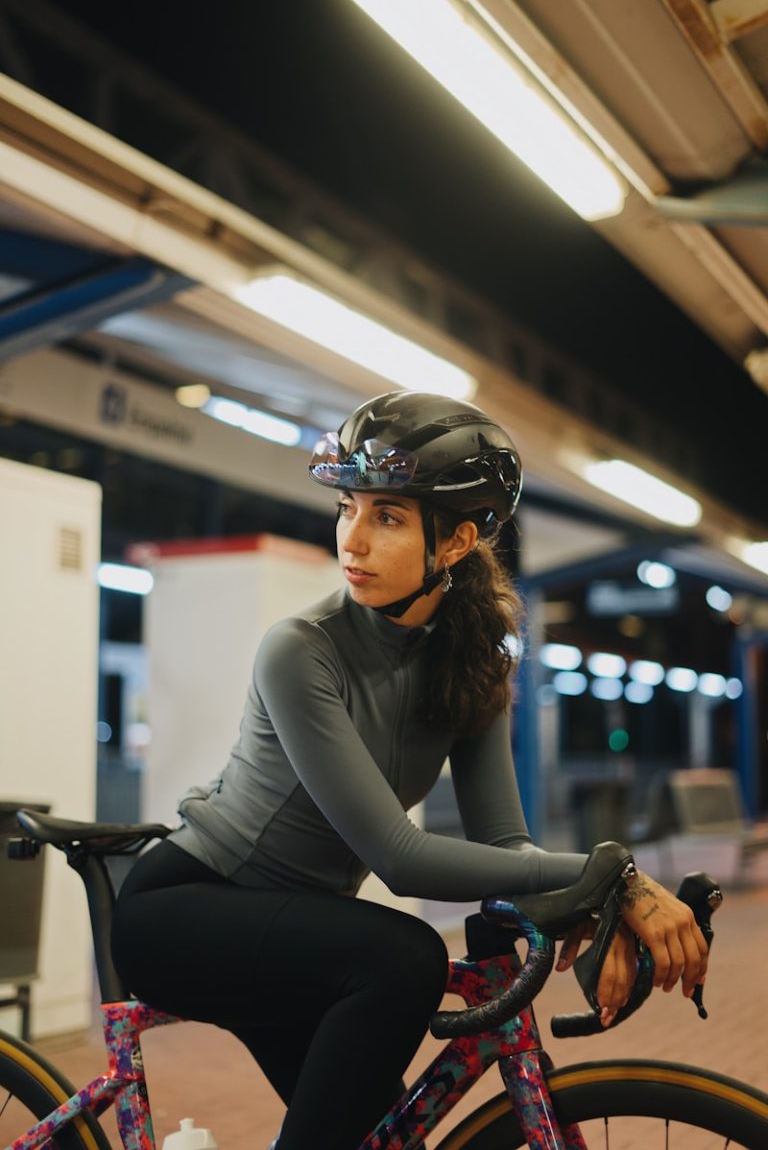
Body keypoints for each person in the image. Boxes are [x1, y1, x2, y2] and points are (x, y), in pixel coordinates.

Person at [111, 391, 708, 1150]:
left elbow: (504, 846)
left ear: (456, 541)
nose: (352, 539)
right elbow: (399, 858)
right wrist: (613, 873)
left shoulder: (477, 657)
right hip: (186, 911)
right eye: (347, 509)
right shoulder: (302, 648)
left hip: (302, 935)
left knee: (390, 1143)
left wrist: (602, 895)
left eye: (387, 516)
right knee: (405, 956)